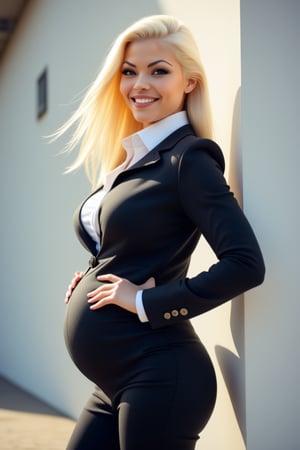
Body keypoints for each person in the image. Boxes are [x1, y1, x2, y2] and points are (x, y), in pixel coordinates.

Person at [58, 14, 265, 450]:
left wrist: (146, 300)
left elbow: (245, 264)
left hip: (159, 376)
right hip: (114, 383)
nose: (140, 84)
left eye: (159, 71)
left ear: (189, 82)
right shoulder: (133, 157)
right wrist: (95, 275)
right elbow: (139, 243)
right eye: (130, 72)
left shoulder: (189, 160)